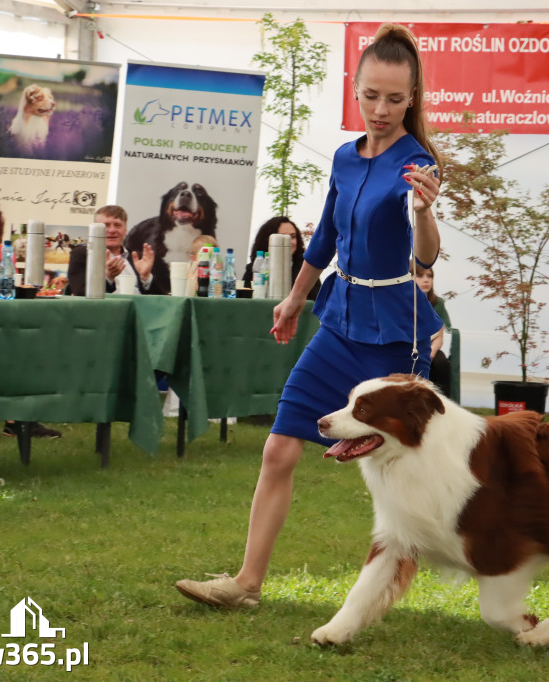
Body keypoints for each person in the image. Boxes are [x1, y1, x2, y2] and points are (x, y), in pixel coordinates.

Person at [175, 23, 444, 610]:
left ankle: (427, 568)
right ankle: (246, 584)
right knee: (278, 449)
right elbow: (326, 235)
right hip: (339, 323)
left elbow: (425, 255)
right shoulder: (346, 158)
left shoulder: (417, 164)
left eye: (396, 99)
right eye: (371, 95)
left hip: (397, 334)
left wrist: (425, 211)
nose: (381, 109)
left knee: (404, 476)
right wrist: (296, 296)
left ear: (412, 99)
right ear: (355, 89)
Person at [64, 205, 165, 296]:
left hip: (138, 313)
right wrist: (108, 277)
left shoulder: (139, 258)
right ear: (96, 230)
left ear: (125, 230)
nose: (112, 230)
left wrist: (146, 277)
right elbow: (80, 292)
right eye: (106, 225)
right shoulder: (82, 255)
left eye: (118, 225)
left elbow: (160, 297)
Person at [242, 216, 321, 300]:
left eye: (293, 236)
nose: (288, 241)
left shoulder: (306, 269)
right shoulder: (254, 269)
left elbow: (318, 301)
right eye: (282, 237)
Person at [414, 265, 453, 398]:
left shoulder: (437, 303)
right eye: (420, 276)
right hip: (408, 348)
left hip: (429, 348)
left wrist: (430, 353)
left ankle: (443, 403)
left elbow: (439, 336)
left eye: (429, 276)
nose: (426, 280)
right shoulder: (401, 302)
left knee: (441, 364)